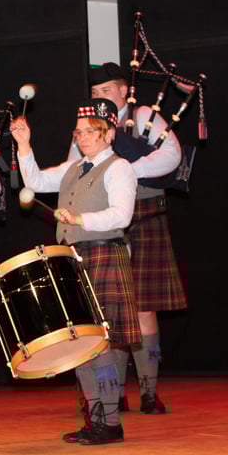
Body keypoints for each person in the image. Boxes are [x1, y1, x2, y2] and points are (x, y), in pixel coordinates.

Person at [12, 98, 143, 444]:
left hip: (104, 255)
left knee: (100, 344)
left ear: (109, 134)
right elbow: (35, 180)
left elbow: (122, 215)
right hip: (73, 261)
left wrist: (80, 218)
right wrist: (24, 144)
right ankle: (95, 417)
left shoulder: (119, 168)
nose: (83, 138)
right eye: (79, 132)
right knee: (81, 344)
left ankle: (110, 422)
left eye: (91, 132)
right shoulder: (73, 168)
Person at [83, 63, 187, 414]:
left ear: (124, 91)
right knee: (108, 312)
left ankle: (148, 391)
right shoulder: (88, 127)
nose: (100, 97)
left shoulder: (143, 116)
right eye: (95, 93)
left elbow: (171, 156)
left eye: (106, 91)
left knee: (144, 308)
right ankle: (112, 392)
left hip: (144, 216)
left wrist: (128, 169)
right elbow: (73, 170)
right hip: (103, 220)